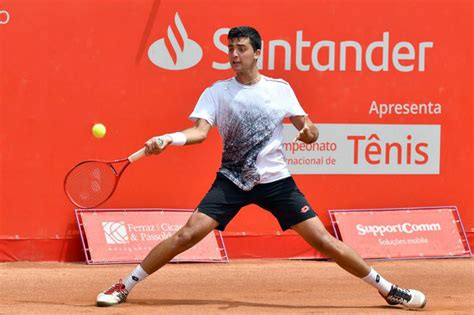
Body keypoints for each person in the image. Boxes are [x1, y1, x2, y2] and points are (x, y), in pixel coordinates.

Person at [96, 26, 426, 309]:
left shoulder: (280, 90)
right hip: (231, 181)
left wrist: (310, 132)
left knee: (324, 241)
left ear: (257, 53)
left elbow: (308, 129)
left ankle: (388, 290)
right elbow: (198, 132)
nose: (234, 54)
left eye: (241, 49)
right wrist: (168, 138)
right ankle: (125, 284)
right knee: (187, 234)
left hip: (276, 182)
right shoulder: (218, 92)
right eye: (230, 49)